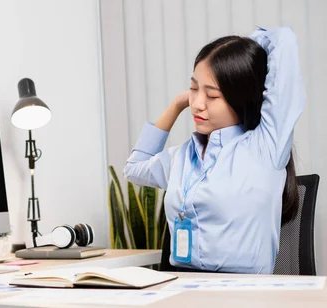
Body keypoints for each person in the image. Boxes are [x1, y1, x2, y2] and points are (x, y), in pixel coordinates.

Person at [123, 27, 305, 274]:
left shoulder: (265, 147)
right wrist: (176, 105)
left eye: (212, 95)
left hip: (245, 292)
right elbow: (133, 169)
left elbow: (284, 39)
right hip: (184, 286)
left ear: (241, 97)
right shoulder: (183, 156)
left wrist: (238, 56)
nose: (197, 104)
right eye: (194, 89)